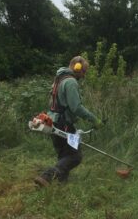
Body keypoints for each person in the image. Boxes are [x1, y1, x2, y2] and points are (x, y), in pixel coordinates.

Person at [34, 56, 102, 187]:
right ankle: (47, 176)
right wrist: (94, 119)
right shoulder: (70, 82)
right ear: (77, 68)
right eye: (84, 72)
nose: (84, 76)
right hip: (64, 124)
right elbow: (76, 107)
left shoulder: (58, 79)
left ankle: (61, 184)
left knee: (64, 154)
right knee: (75, 156)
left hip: (53, 121)